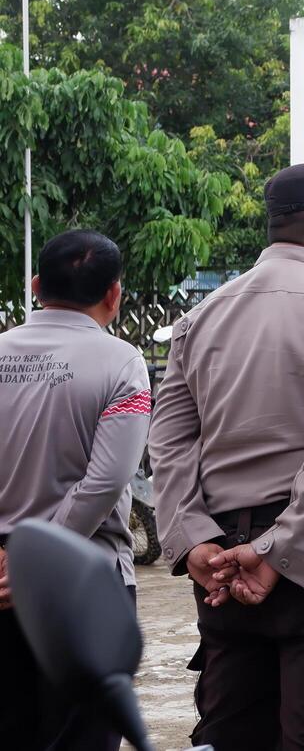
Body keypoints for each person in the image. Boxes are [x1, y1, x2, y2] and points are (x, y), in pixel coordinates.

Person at [151, 163, 304, 751]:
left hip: (220, 560)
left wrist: (194, 542)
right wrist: (275, 552)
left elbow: (171, 441)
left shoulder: (203, 314)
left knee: (233, 726)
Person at [0, 230, 151, 751]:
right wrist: (38, 558)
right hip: (85, 585)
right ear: (114, 294)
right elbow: (108, 480)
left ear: (37, 285)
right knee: (82, 739)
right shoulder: (122, 363)